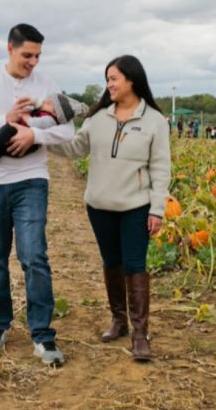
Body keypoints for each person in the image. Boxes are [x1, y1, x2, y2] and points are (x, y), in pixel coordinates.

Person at [0, 23, 75, 366]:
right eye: (27, 55)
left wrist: (34, 137)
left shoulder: (47, 84)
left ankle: (42, 334)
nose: (33, 62)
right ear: (9, 49)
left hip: (31, 178)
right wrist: (5, 119)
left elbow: (68, 129)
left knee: (34, 255)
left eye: (38, 56)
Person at [49, 55, 171, 362]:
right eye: (108, 79)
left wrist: (157, 209)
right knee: (111, 262)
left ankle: (140, 334)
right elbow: (76, 148)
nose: (109, 85)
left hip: (136, 206)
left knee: (135, 264)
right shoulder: (98, 117)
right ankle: (118, 320)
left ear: (132, 80)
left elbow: (160, 168)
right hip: (99, 205)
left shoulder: (154, 121)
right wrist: (42, 138)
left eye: (114, 78)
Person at [0, 93, 87, 178]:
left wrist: (25, 117)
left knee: (7, 129)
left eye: (48, 103)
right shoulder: (43, 111)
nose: (44, 102)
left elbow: (34, 123)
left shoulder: (49, 120)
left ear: (55, 113)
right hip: (19, 139)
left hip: (24, 144)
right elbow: (37, 103)